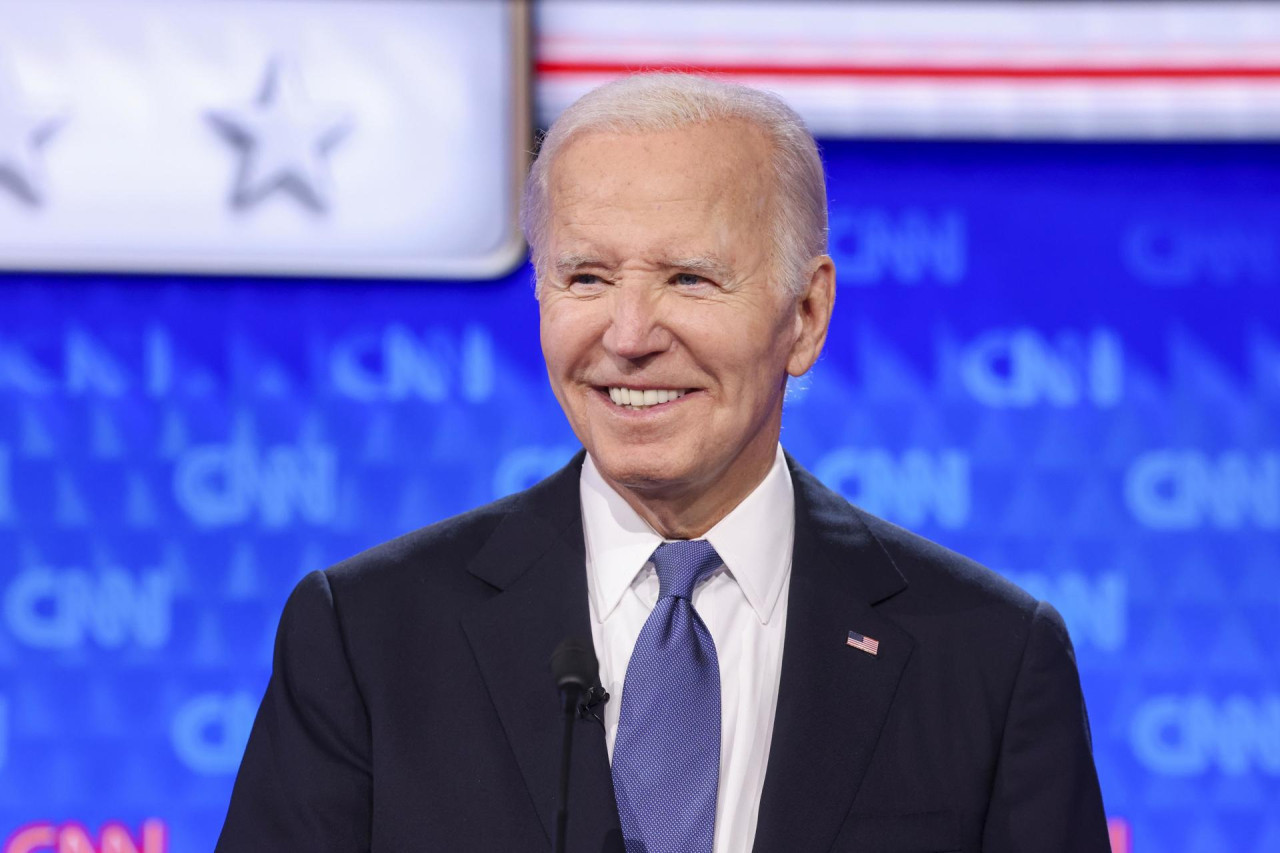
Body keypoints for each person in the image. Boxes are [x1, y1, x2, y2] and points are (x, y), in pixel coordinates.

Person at [216, 73, 1110, 853]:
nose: (630, 336)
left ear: (804, 314)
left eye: (689, 278)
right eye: (587, 278)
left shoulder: (988, 658)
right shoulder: (367, 637)